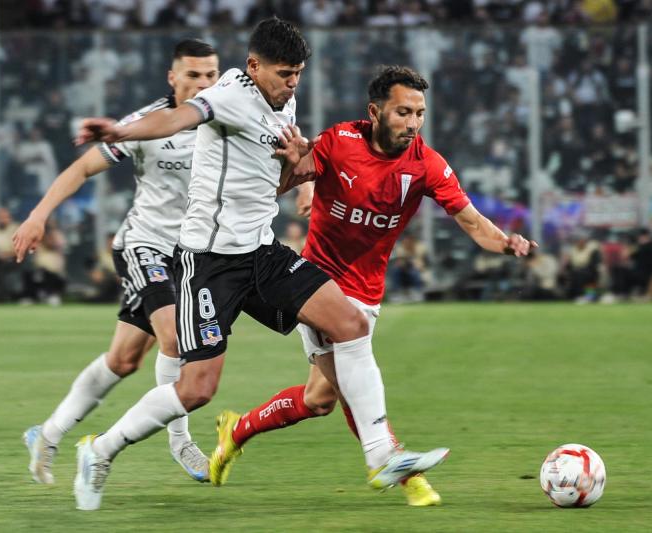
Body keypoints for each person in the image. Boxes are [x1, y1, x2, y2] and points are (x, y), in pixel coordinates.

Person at [72, 18, 453, 512]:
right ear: (254, 67)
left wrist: (300, 164)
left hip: (261, 252)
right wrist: (120, 130)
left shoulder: (283, 100)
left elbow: (280, 162)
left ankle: (382, 454)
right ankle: (99, 450)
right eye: (284, 74)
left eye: (298, 73)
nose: (293, 83)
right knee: (196, 390)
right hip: (209, 262)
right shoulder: (229, 95)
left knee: (351, 324)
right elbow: (178, 118)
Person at [214, 66, 538, 506]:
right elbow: (291, 177)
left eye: (420, 113)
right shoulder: (341, 141)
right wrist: (295, 171)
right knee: (352, 359)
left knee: (319, 399)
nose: (413, 122)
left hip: (367, 290)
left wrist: (506, 243)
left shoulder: (426, 165)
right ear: (376, 111)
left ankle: (237, 430)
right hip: (317, 281)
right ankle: (395, 465)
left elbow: (471, 221)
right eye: (404, 112)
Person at [14, 39, 221, 485]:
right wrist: (38, 216)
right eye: (193, 75)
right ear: (173, 77)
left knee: (124, 360)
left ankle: (46, 434)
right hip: (144, 245)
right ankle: (180, 440)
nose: (204, 83)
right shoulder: (145, 124)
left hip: (191, 255)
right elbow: (81, 169)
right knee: (176, 339)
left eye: (210, 75)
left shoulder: (227, 117)